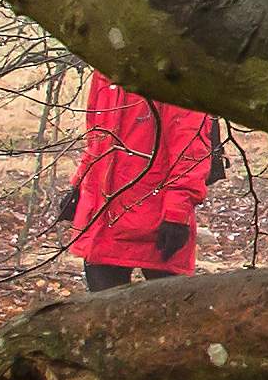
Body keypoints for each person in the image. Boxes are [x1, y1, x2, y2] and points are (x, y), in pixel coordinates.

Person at [66, 70, 222, 287]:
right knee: (106, 314)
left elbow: (190, 151)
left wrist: (177, 213)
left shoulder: (174, 72)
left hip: (156, 218)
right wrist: (80, 185)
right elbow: (96, 138)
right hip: (103, 216)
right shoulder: (105, 70)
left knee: (168, 312)